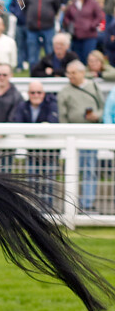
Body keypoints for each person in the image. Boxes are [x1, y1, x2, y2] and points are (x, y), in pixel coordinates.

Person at [58, 60, 104, 212]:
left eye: (73, 73)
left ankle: (88, 205)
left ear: (82, 73)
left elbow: (102, 108)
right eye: (68, 73)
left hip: (90, 135)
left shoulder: (93, 86)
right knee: (72, 172)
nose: (70, 76)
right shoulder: (65, 91)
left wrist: (96, 116)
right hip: (72, 137)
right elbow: (62, 116)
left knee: (89, 169)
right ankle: (71, 206)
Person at [9, 81, 59, 208]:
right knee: (32, 181)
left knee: (47, 182)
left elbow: (53, 122)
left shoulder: (51, 104)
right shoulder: (23, 106)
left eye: (39, 92)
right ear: (28, 94)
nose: (36, 95)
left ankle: (47, 209)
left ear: (43, 93)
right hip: (32, 152)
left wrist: (33, 131)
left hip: (49, 153)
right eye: (32, 92)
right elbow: (18, 123)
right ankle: (36, 208)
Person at [24, 0, 62, 69]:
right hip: (32, 28)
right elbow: (26, 7)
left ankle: (50, 71)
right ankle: (34, 72)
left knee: (49, 51)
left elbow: (56, 7)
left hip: (48, 27)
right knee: (33, 53)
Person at [63, 0, 106, 64]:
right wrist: (70, 25)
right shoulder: (73, 4)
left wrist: (92, 25)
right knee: (77, 59)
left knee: (88, 58)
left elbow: (99, 16)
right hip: (76, 36)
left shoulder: (93, 3)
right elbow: (66, 17)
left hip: (89, 36)